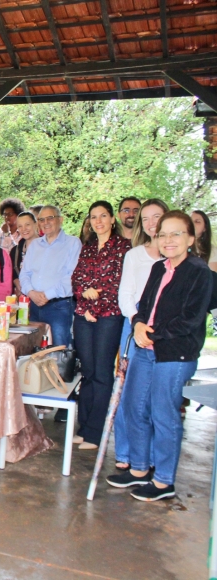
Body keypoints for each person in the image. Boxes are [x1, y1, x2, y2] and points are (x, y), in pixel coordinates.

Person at [107, 210, 212, 501]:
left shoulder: (199, 272)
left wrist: (150, 333)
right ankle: (139, 469)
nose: (168, 239)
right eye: (163, 233)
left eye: (176, 233)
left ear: (190, 238)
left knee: (163, 414)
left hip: (174, 354)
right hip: (145, 348)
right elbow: (144, 304)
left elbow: (190, 319)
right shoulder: (158, 267)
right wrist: (138, 323)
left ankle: (164, 481)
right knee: (133, 407)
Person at [72, 200, 132, 450]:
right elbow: (77, 278)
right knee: (87, 371)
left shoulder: (124, 247)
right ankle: (83, 428)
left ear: (112, 219)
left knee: (102, 372)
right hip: (84, 316)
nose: (98, 221)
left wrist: (92, 305)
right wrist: (84, 303)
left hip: (109, 316)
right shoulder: (86, 248)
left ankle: (96, 434)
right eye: (94, 217)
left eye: (103, 216)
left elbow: (117, 283)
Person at [113, 199, 168, 470]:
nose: (150, 223)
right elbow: (126, 294)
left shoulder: (177, 258)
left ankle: (155, 460)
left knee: (157, 399)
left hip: (166, 332)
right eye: (146, 218)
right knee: (126, 395)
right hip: (134, 328)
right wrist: (137, 322)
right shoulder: (134, 255)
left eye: (156, 217)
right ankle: (126, 454)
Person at [19, 206, 81, 349]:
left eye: (50, 218)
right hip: (33, 305)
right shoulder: (34, 245)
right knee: (32, 349)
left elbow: (71, 277)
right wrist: (31, 293)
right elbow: (25, 274)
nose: (45, 222)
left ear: (60, 220)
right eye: (41, 219)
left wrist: (47, 295)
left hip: (59, 306)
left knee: (59, 351)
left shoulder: (73, 243)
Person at [10, 211, 40, 295]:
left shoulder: (48, 247)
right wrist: (15, 281)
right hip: (22, 298)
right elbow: (11, 273)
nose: (24, 229)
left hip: (43, 297)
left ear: (36, 224)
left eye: (27, 224)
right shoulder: (15, 251)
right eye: (20, 226)